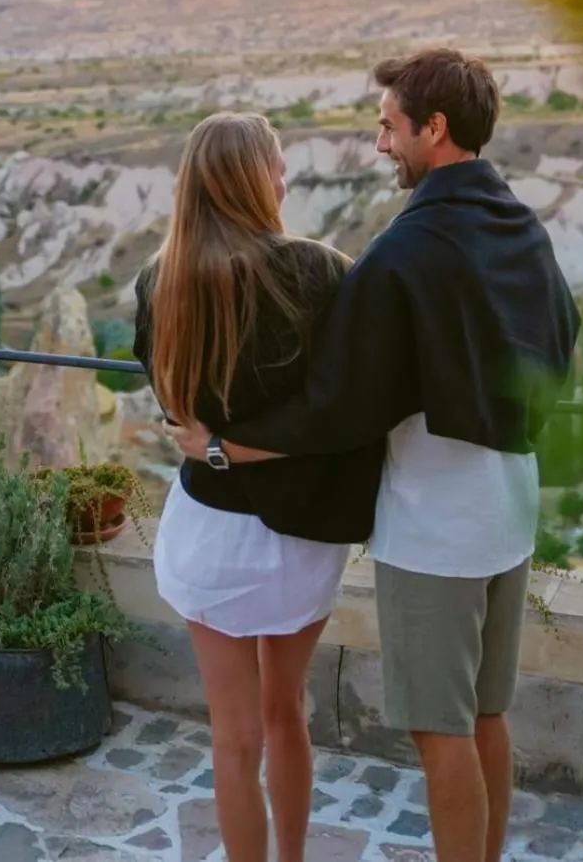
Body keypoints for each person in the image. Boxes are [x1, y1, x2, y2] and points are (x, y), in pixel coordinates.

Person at [166, 50, 580, 862]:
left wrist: (223, 446)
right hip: (510, 503)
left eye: (391, 127)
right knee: (487, 715)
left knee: (439, 731)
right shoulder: (520, 224)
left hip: (436, 525)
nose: (381, 144)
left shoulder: (405, 251)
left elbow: (337, 410)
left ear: (436, 129)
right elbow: (562, 337)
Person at [133, 111, 384, 862]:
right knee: (287, 718)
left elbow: (173, 406)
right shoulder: (319, 272)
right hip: (299, 538)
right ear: (254, 177)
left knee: (233, 736)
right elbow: (344, 407)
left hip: (207, 534)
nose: (285, 177)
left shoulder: (159, 281)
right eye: (277, 164)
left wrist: (218, 449)